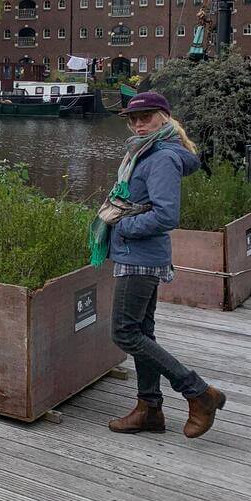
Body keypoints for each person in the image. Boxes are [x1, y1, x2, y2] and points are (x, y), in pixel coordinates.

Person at [102, 92, 227, 439]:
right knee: (143, 333)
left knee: (124, 333)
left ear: (165, 118)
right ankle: (149, 409)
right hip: (137, 253)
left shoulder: (161, 158)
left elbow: (165, 215)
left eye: (147, 117)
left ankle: (198, 392)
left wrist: (122, 225)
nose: (139, 124)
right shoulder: (145, 153)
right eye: (133, 119)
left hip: (140, 256)